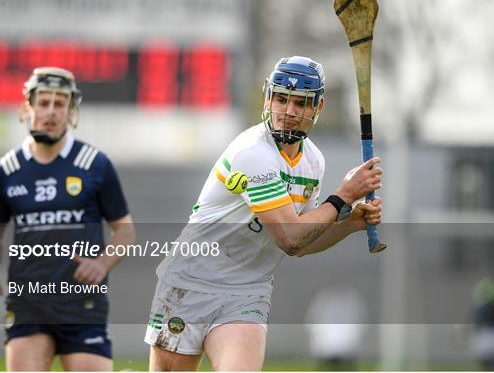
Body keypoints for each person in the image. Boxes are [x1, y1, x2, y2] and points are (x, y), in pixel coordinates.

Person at [144, 56, 383, 371]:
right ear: (267, 97)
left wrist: (350, 222)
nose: (288, 112)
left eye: (300, 103)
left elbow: (305, 241)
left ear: (318, 108)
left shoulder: (313, 161)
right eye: (281, 99)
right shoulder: (253, 153)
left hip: (248, 289)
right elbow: (289, 238)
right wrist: (344, 196)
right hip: (190, 282)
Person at [0, 67, 135, 371]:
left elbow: (125, 232)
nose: (50, 112)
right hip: (28, 303)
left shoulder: (94, 165)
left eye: (59, 104)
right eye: (43, 102)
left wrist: (101, 263)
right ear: (28, 109)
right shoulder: (5, 171)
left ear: (71, 112)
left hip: (82, 305)